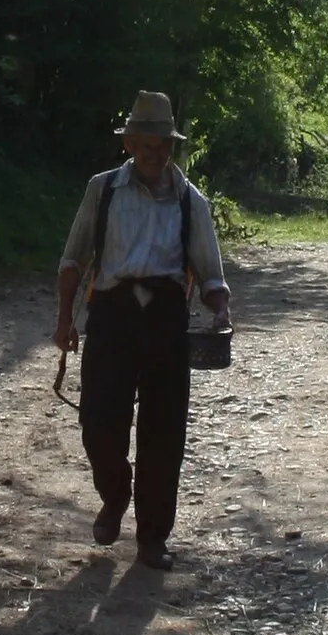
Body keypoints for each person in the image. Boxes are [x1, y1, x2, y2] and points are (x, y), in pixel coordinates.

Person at [56, 91, 231, 569]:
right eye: (148, 143)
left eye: (164, 144)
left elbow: (210, 273)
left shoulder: (192, 201)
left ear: (171, 145)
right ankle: (115, 496)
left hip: (166, 319)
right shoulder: (104, 190)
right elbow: (74, 259)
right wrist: (63, 321)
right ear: (130, 142)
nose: (156, 152)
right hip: (111, 315)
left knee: (164, 431)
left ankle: (152, 538)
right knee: (97, 421)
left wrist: (219, 308)